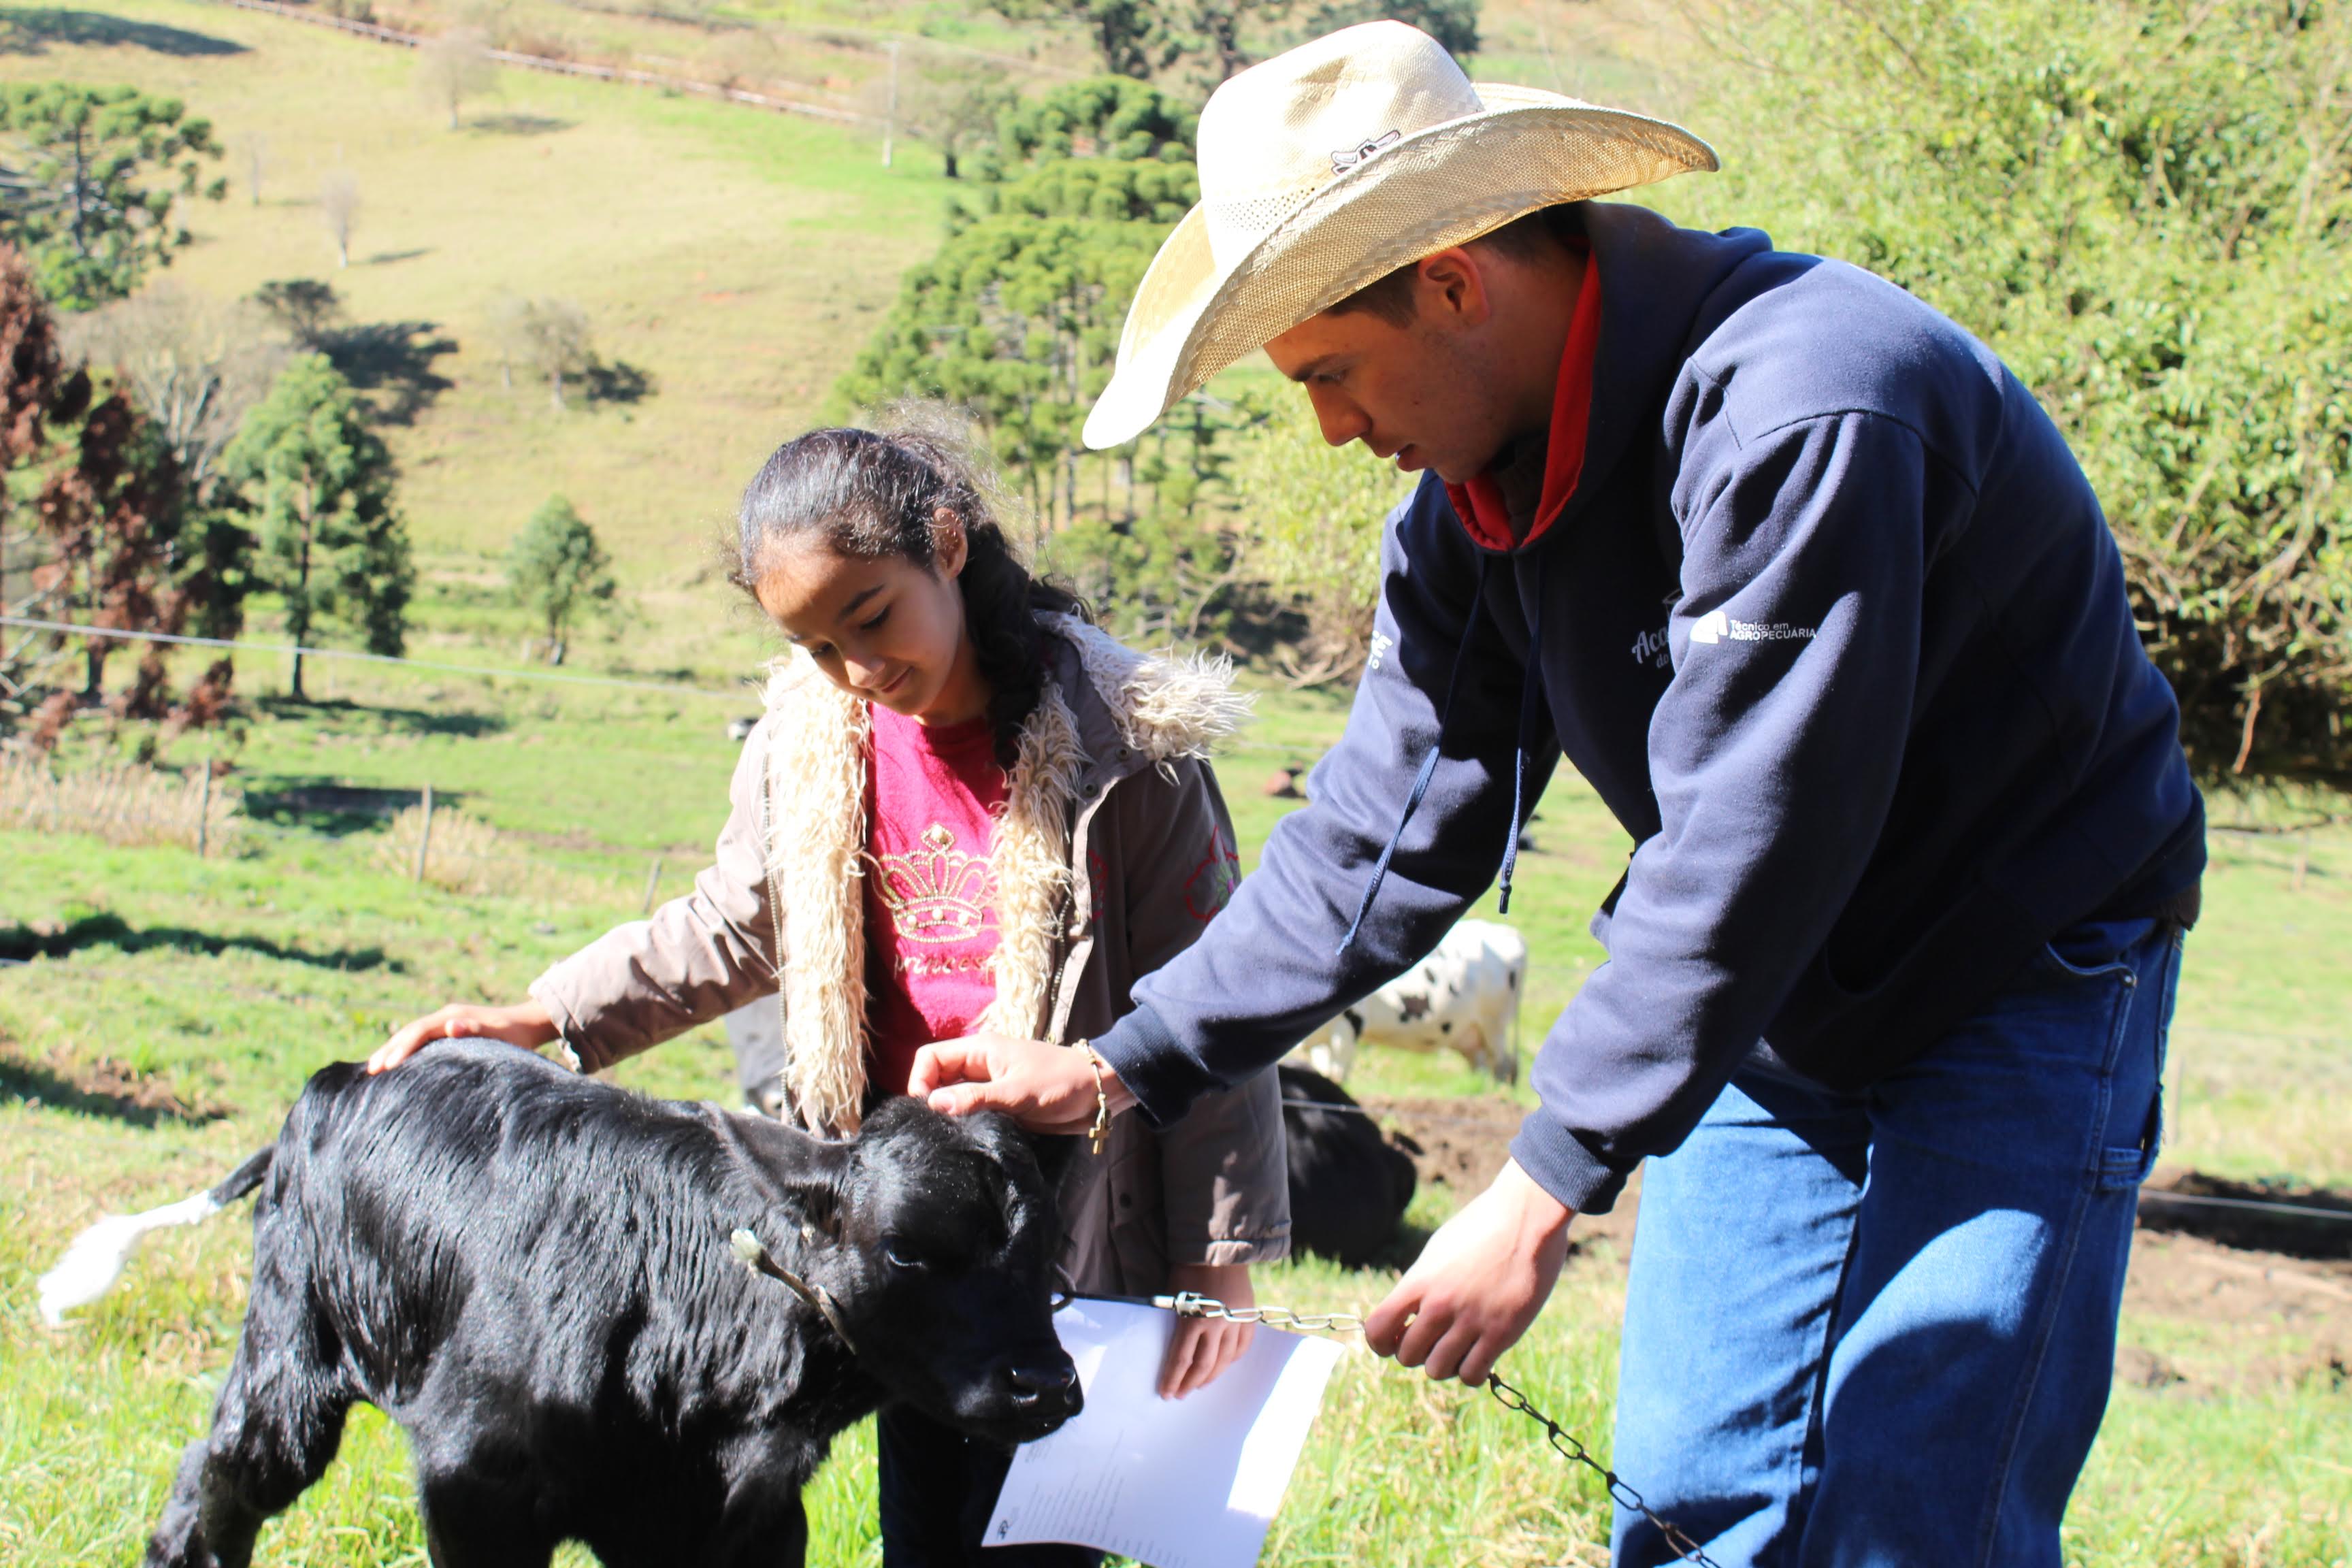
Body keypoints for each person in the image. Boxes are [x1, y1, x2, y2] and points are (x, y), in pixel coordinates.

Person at [909, 22, 2204, 1567]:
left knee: (1918, 1509)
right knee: (1693, 1491)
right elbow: (1384, 833)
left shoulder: (1806, 414)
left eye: (1329, 371)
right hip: (1773, 1009)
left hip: (2021, 974)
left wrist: (1538, 1183)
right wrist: (1121, 1063)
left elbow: (1752, 835)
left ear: (1453, 284)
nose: (1330, 427)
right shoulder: (1469, 513)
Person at [371, 414, 1290, 1567]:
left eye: (871, 618)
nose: (858, 670)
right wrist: (549, 1014)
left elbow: (1213, 1002)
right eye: (813, 647)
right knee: (923, 1520)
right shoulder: (810, 743)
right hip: (903, 1218)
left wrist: (1217, 1253)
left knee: (1036, 1539)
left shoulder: (1125, 752)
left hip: (1072, 1210)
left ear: (947, 544)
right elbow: (730, 923)